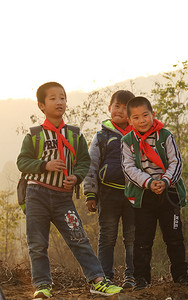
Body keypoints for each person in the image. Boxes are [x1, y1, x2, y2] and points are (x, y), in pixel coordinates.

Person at [17, 82, 123, 299]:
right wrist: (44, 165)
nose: (59, 102)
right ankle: (42, 285)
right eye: (53, 98)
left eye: (63, 98)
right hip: (36, 194)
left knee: (79, 238)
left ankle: (98, 280)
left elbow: (85, 161)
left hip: (63, 197)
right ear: (41, 105)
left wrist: (76, 177)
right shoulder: (35, 135)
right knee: (37, 243)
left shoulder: (75, 134)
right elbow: (22, 162)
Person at [121, 96, 188, 291]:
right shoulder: (128, 141)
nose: (142, 121)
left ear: (153, 114)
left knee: (174, 237)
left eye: (145, 115)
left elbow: (176, 162)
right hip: (144, 195)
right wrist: (149, 182)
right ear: (130, 121)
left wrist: (165, 181)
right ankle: (141, 279)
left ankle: (181, 275)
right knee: (142, 239)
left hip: (168, 192)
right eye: (136, 117)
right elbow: (128, 168)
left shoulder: (165, 135)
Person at [83, 90, 136, 289]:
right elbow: (91, 165)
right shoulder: (101, 136)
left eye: (125, 108)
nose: (120, 111)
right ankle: (105, 276)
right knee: (107, 236)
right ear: (109, 108)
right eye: (117, 106)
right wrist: (90, 193)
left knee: (132, 237)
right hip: (108, 194)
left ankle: (132, 276)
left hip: (134, 193)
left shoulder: (137, 135)